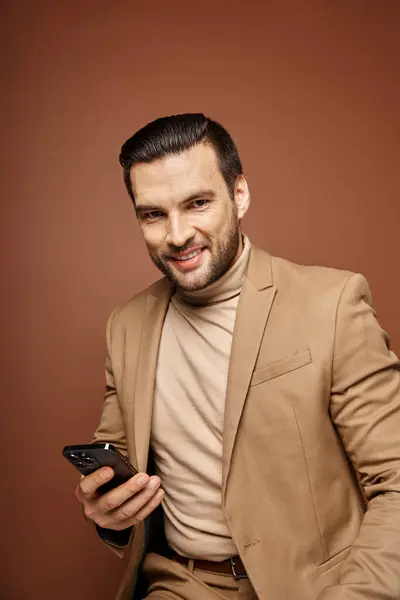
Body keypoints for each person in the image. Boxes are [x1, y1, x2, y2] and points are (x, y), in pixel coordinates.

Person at [75, 113, 400, 600]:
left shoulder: (332, 303)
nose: (177, 235)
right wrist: (108, 515)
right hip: (181, 584)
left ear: (240, 195)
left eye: (198, 203)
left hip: (315, 588)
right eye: (153, 214)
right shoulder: (126, 325)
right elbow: (116, 464)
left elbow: (395, 481)